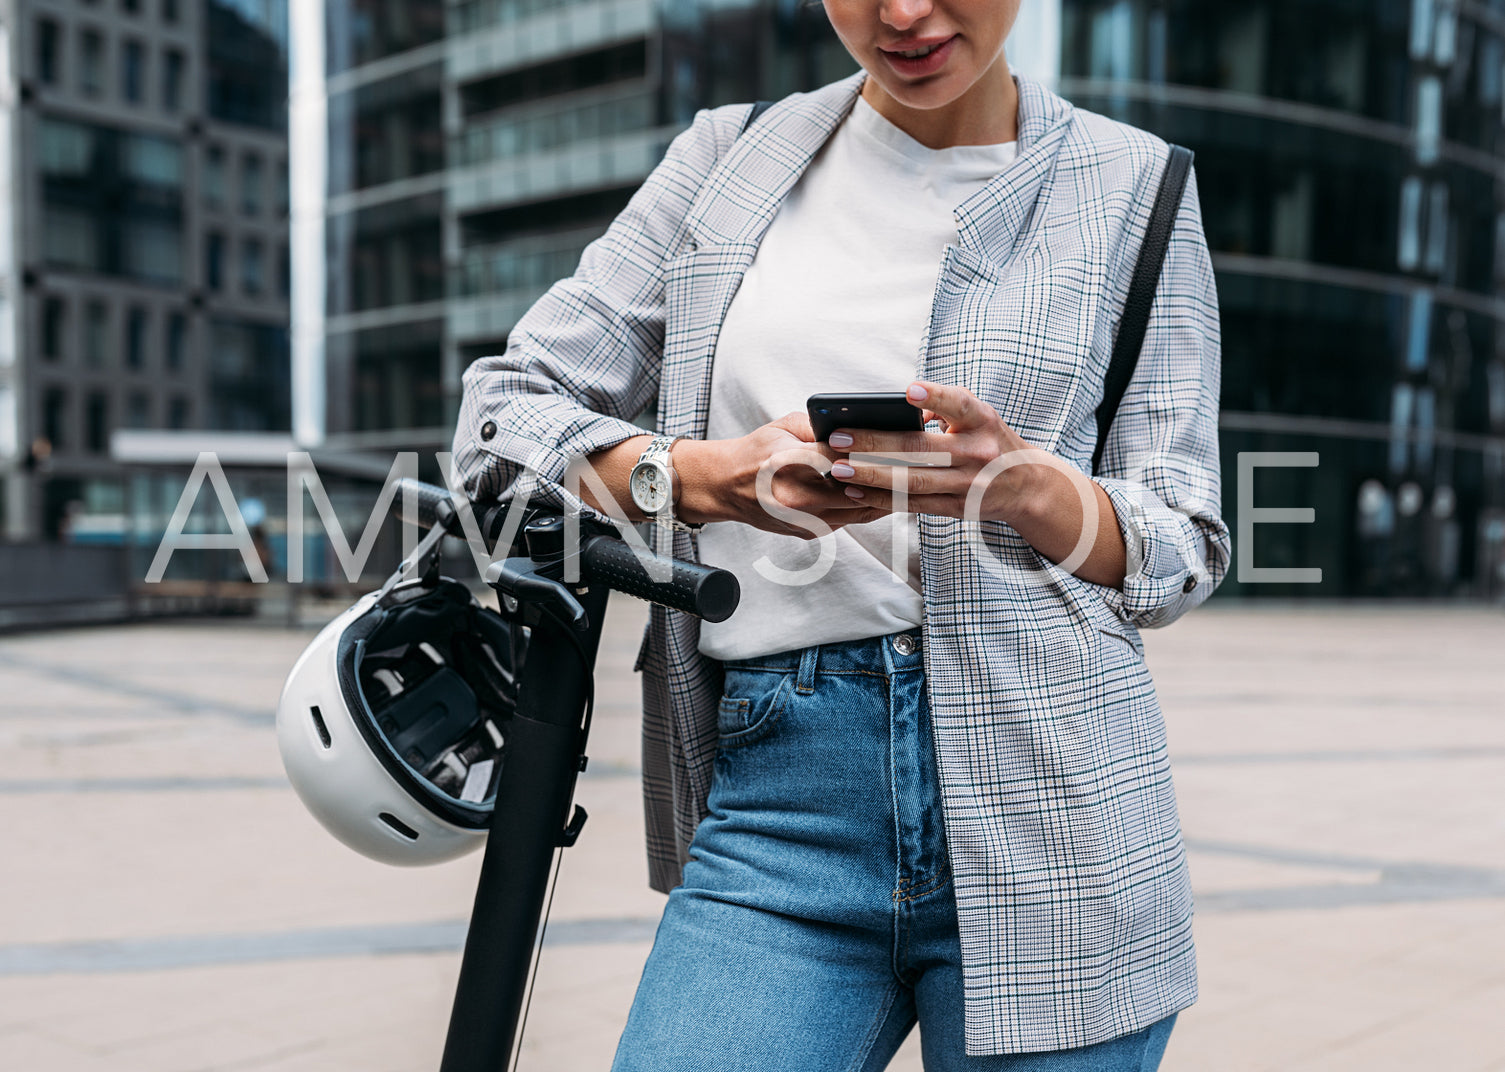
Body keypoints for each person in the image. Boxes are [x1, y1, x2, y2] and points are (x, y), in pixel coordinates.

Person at [452, 0, 1230, 1067]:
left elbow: (1182, 536)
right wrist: (697, 479)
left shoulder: (1136, 187)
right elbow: (500, 412)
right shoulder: (724, 160)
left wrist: (1021, 487)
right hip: (782, 802)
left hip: (1057, 815)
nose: (901, 13)